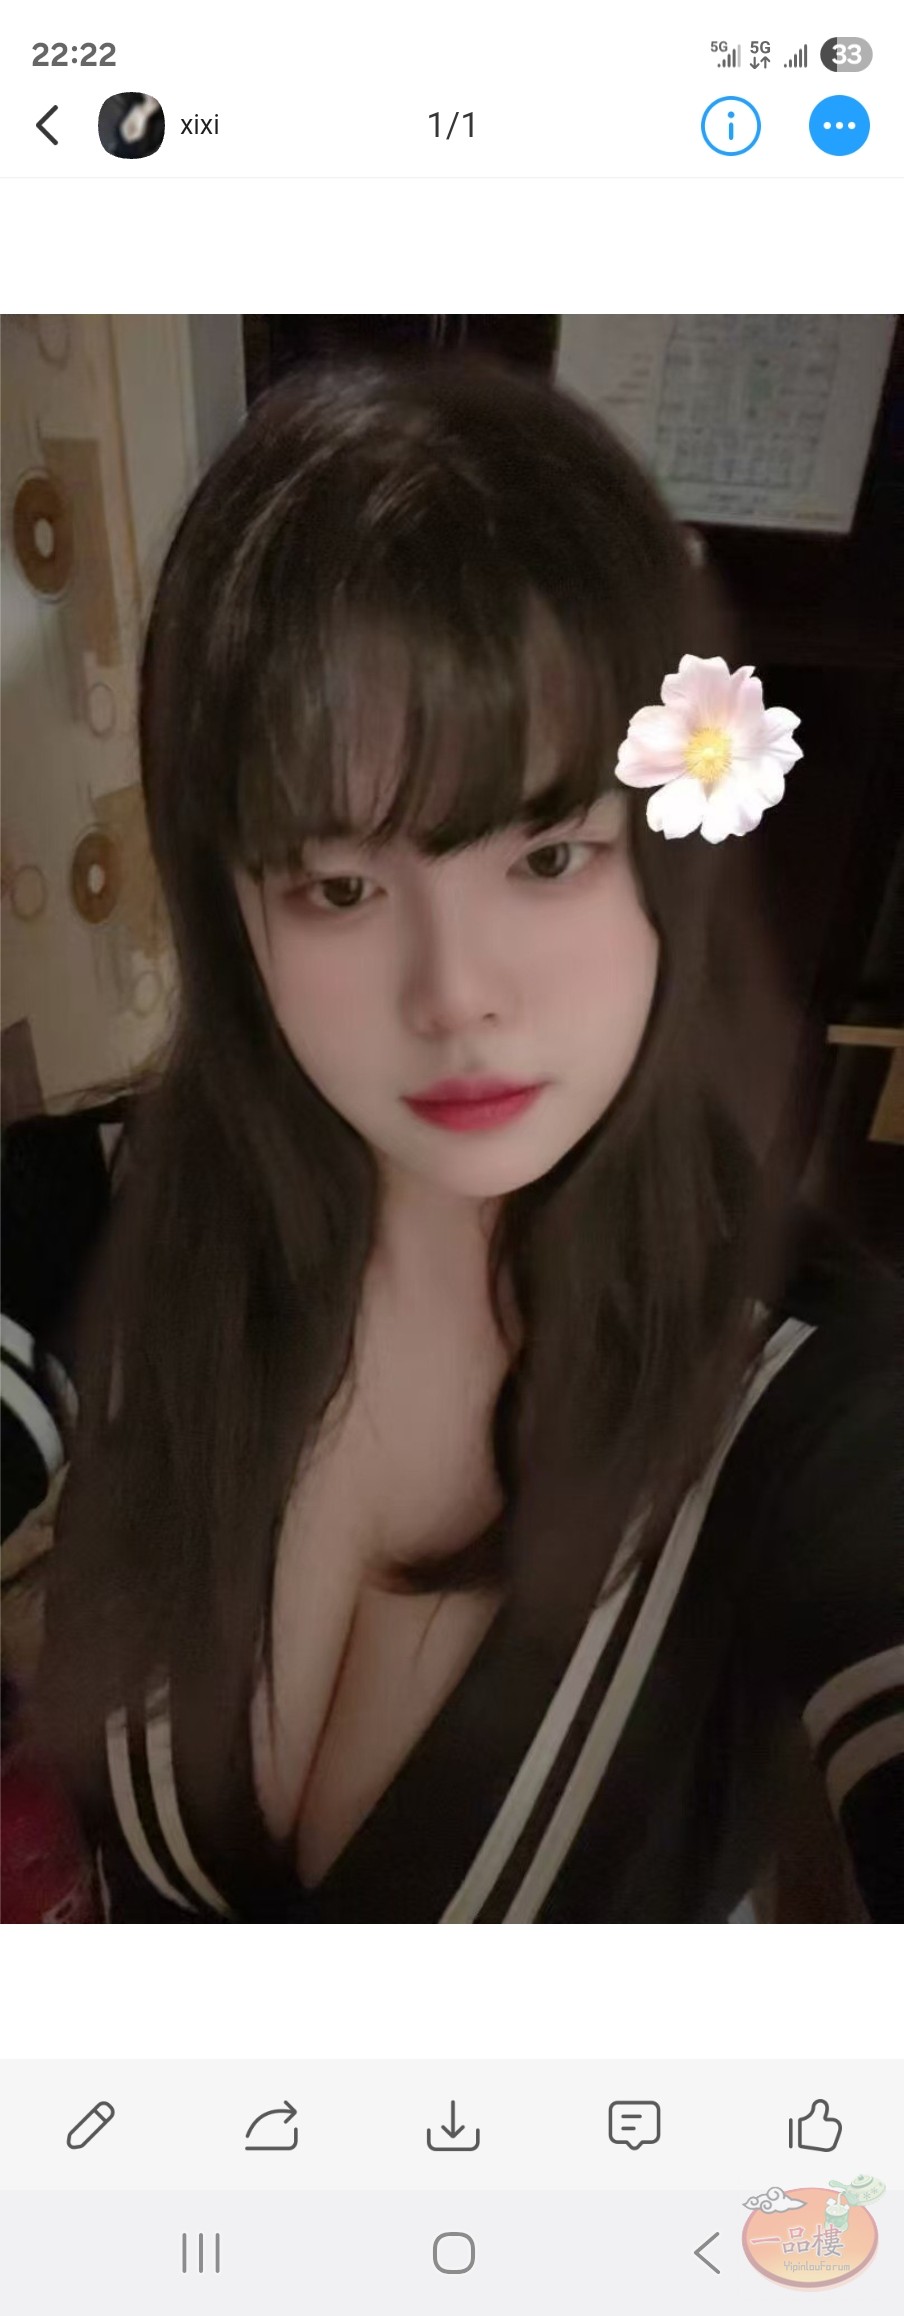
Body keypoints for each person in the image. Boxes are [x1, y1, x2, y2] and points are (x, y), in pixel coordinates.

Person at [30, 356, 903, 1923]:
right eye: (342, 887)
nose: (454, 997)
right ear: (237, 909)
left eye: (549, 856)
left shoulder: (817, 1408)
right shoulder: (117, 1213)